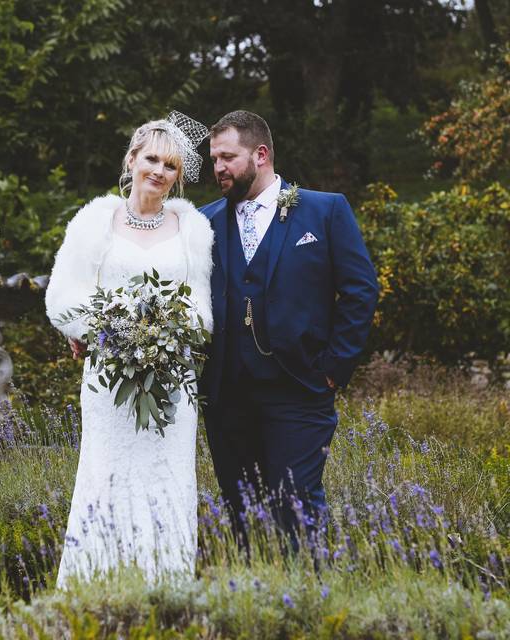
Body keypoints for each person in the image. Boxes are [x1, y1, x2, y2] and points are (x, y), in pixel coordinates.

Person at [45, 113, 213, 586]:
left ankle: (166, 593)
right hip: (108, 380)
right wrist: (107, 330)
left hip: (171, 383)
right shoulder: (95, 221)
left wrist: (166, 331)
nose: (159, 171)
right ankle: (94, 591)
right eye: (152, 159)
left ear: (179, 176)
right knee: (106, 476)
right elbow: (61, 298)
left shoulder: (193, 230)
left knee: (166, 479)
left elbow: (201, 310)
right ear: (133, 160)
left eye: (171, 165)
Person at [198, 110, 378, 544]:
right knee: (242, 515)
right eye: (214, 158)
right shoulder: (201, 222)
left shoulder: (325, 211)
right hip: (227, 398)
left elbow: (360, 290)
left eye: (227, 157)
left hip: (300, 390)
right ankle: (253, 604)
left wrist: (334, 367)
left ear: (261, 154)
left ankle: (311, 602)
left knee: (297, 508)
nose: (218, 167)